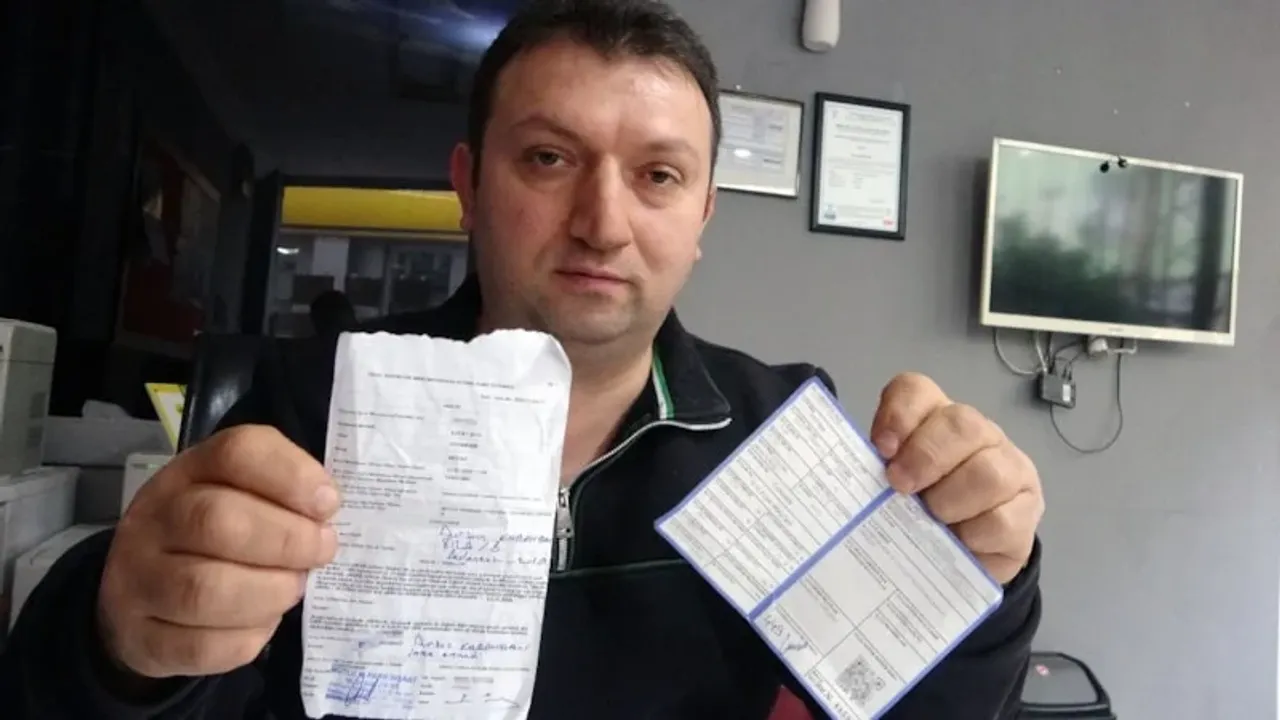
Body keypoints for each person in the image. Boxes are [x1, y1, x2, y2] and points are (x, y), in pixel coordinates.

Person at [1, 1, 1044, 718]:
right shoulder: (308, 399)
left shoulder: (781, 434)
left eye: (658, 175)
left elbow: (917, 701)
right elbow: (133, 689)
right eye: (548, 158)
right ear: (468, 183)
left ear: (702, 216)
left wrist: (981, 579)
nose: (602, 222)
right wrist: (114, 637)